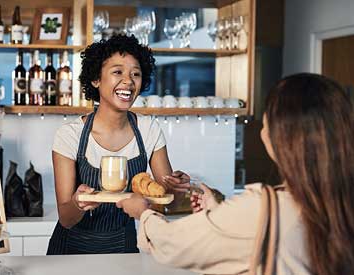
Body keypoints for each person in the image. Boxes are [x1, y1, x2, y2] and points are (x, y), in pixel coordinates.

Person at [118, 73, 354, 274]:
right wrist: (218, 213)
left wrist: (144, 214)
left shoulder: (263, 208)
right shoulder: (340, 204)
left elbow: (172, 243)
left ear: (280, 137)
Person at [47, 35, 190, 255]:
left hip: (123, 248)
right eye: (117, 72)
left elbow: (164, 204)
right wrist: (78, 203)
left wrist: (176, 189)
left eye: (136, 74)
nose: (129, 81)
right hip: (71, 252)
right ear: (96, 79)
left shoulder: (148, 129)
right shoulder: (70, 135)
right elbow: (66, 218)